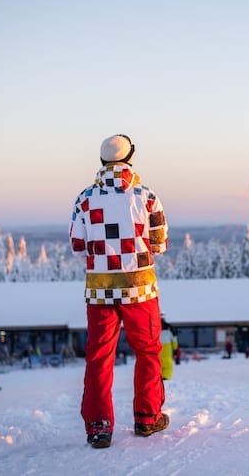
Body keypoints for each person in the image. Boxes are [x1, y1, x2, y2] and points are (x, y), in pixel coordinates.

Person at [70, 134, 170, 449]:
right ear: (130, 159)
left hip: (100, 292)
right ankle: (147, 417)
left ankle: (99, 427)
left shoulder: (85, 198)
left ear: (102, 162)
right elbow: (160, 245)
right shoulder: (146, 196)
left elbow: (77, 246)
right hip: (140, 290)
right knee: (148, 351)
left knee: (99, 357)